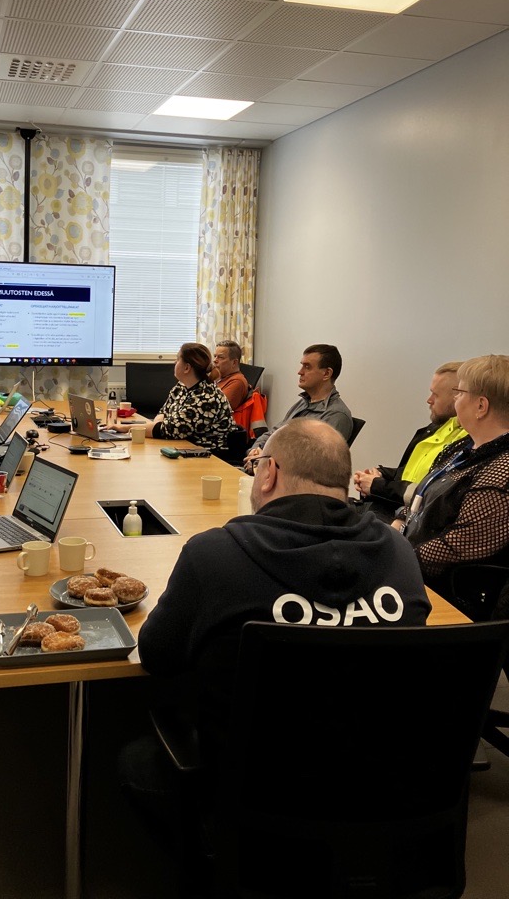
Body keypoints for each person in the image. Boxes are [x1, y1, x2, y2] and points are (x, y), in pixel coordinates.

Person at [120, 421, 429, 847]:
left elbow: (158, 657)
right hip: (382, 786)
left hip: (252, 797)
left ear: (269, 472)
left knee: (135, 760)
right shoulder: (400, 554)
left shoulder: (215, 554)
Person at [394, 355, 509, 601]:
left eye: (459, 392)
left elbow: (458, 547)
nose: (455, 399)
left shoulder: (502, 471)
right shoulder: (464, 447)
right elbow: (423, 493)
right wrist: (398, 523)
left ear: (481, 406)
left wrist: (394, 557)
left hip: (447, 594)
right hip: (411, 567)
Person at [353, 362, 467, 518]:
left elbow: (429, 492)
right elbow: (409, 473)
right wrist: (381, 474)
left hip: (408, 517)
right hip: (392, 508)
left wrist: (377, 486)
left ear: (458, 397)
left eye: (436, 394)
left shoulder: (469, 442)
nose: (429, 400)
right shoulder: (433, 430)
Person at [245, 343, 352, 466]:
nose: (300, 372)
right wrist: (255, 450)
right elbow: (274, 433)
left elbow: (313, 461)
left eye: (307, 367)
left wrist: (265, 458)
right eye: (302, 366)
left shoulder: (336, 415)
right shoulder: (303, 403)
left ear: (327, 373)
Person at [117, 343, 234, 452]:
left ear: (187, 368)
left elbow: (168, 430)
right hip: (182, 447)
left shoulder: (206, 398)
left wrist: (124, 428)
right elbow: (164, 411)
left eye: (178, 359)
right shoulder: (182, 386)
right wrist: (157, 425)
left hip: (208, 455)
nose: (174, 362)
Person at [210, 340, 249, 411]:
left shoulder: (237, 382)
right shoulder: (220, 377)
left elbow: (217, 410)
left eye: (221, 357)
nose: (215, 360)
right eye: (215, 356)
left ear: (234, 362)